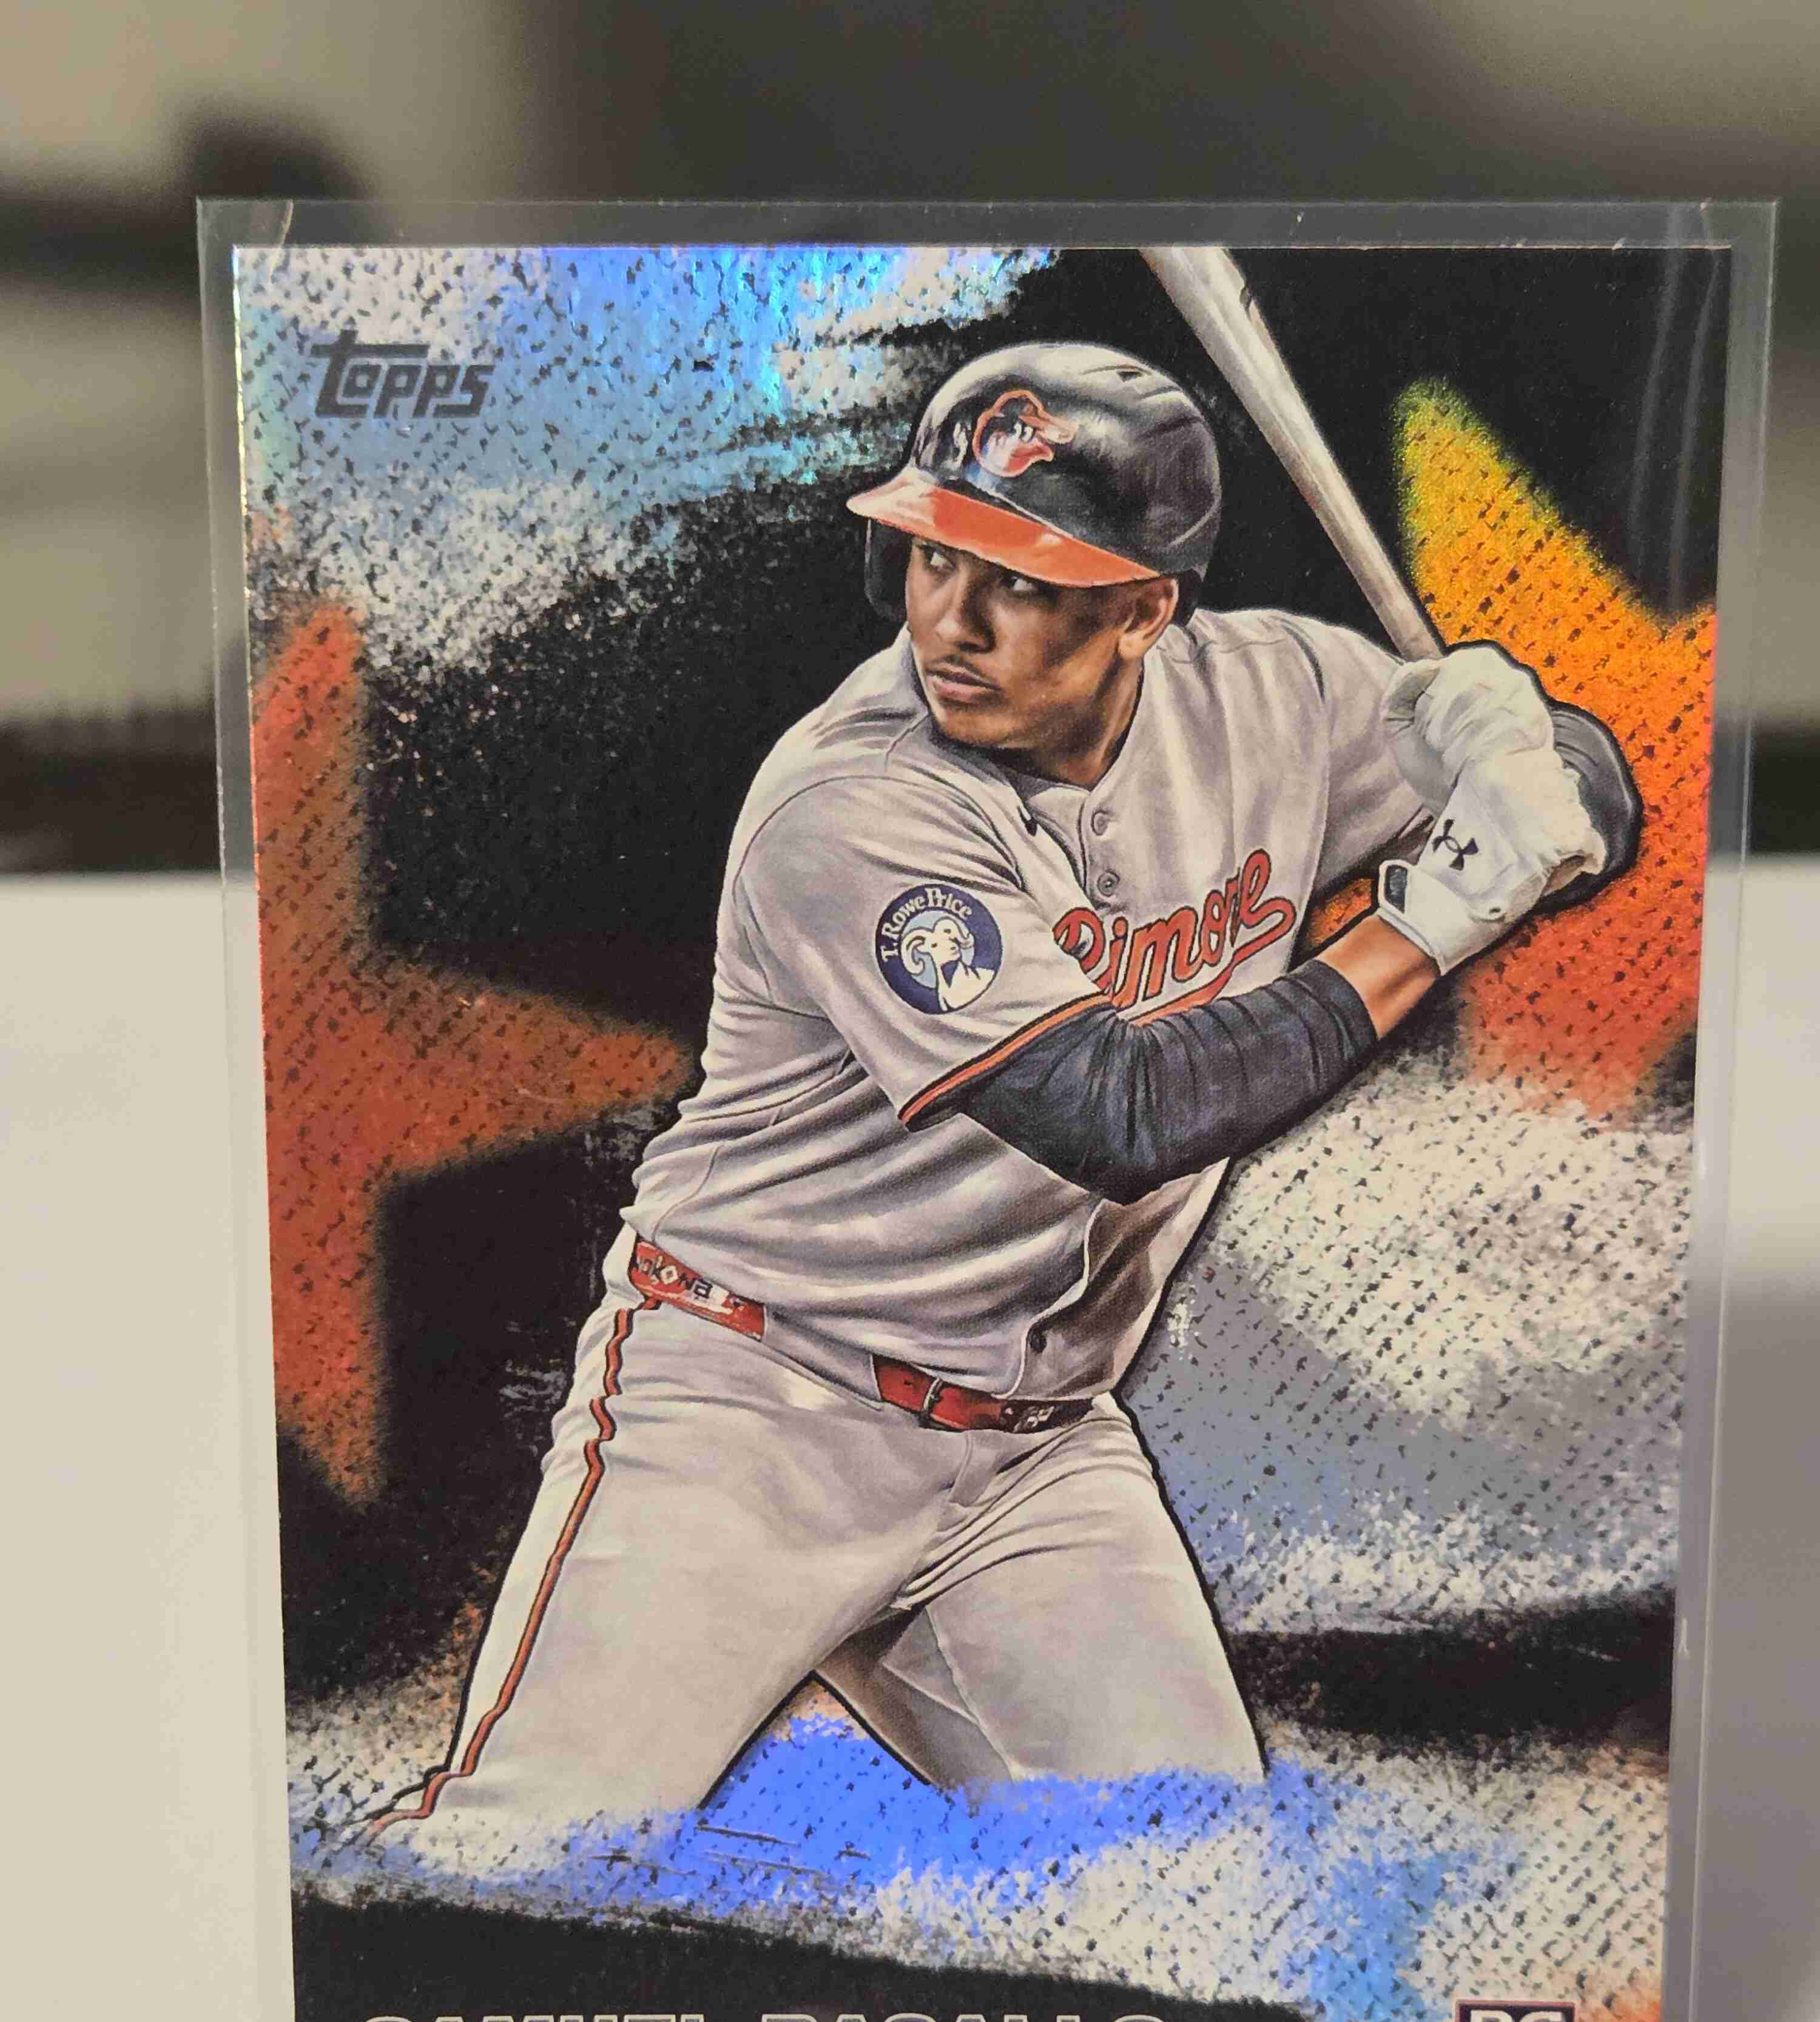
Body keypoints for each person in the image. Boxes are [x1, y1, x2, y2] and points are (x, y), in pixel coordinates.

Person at [368, 341, 1638, 1848]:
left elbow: (1589, 801)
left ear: (1147, 610)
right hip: (761, 1408)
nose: (952, 623)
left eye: (1022, 581)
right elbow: (1122, 1112)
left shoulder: (1278, 698)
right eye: (933, 555)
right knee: (520, 1861)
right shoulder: (858, 799)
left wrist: (1523, 747)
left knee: (1196, 1887)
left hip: (1034, 1453)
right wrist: (1436, 917)